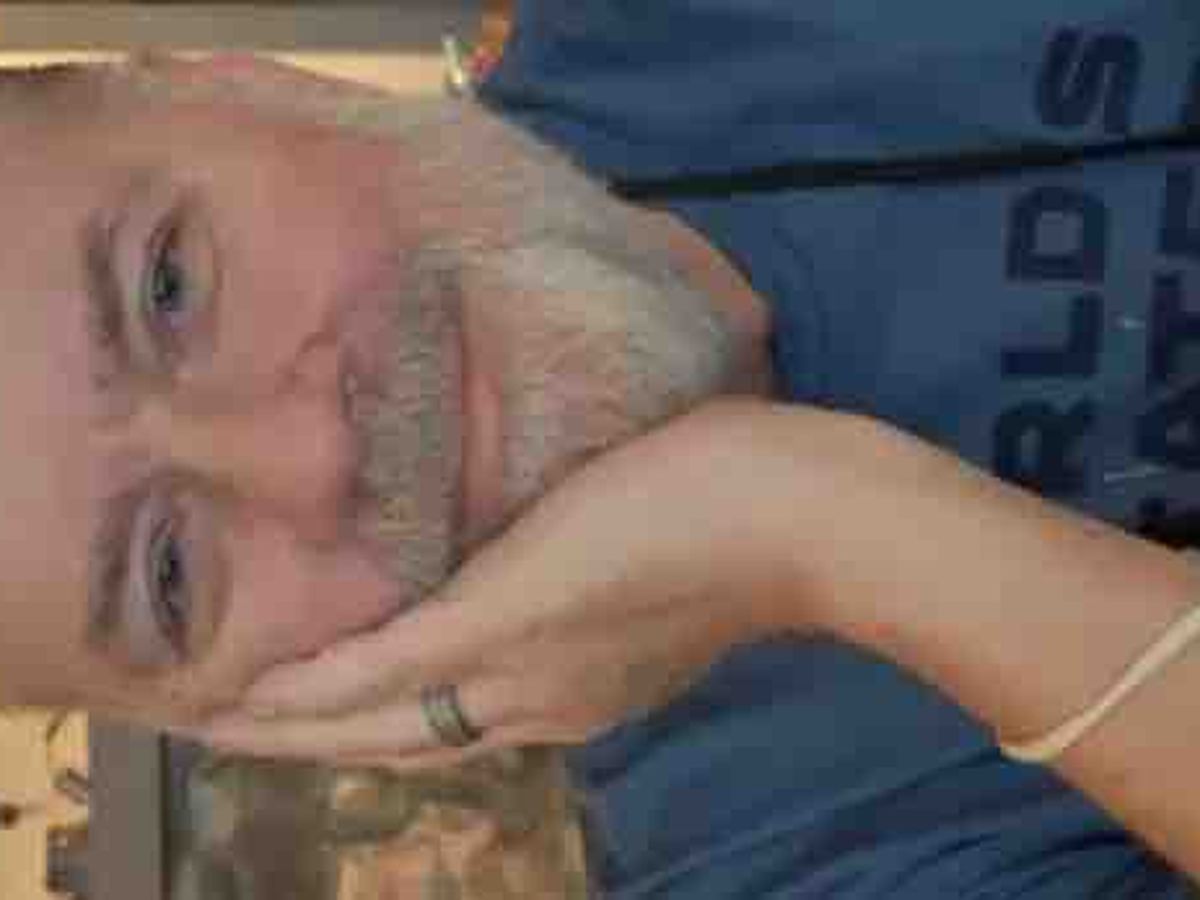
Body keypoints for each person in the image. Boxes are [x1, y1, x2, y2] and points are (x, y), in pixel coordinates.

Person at [0, 3, 1196, 897]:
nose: (310, 450)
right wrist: (821, 531)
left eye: (168, 284)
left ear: (244, 85)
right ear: (249, 712)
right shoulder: (773, 859)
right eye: (171, 573)